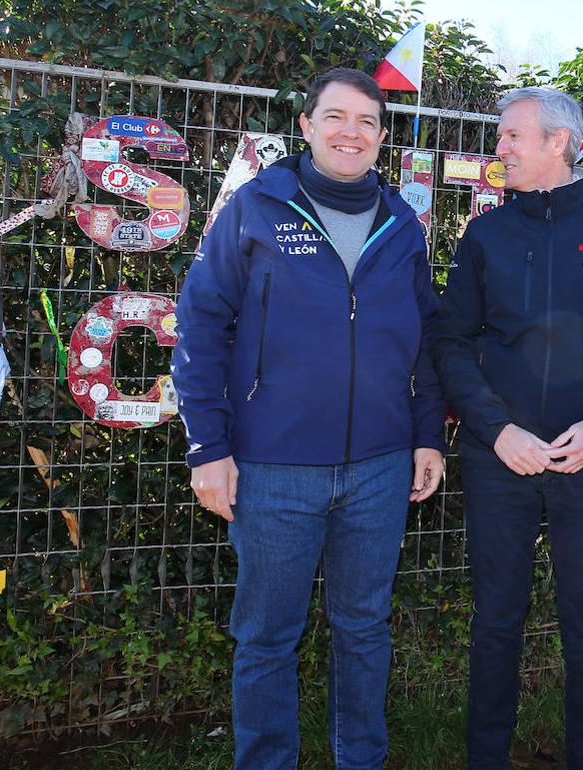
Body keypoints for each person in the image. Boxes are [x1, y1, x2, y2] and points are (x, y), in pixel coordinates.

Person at [172, 68, 446, 770]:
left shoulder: (403, 226)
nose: (350, 132)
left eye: (366, 121)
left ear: (383, 137)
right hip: (271, 468)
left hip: (381, 471)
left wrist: (424, 437)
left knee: (363, 629)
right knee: (266, 637)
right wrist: (209, 447)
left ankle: (362, 759)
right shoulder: (255, 209)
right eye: (335, 117)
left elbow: (425, 342)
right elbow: (201, 326)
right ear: (306, 126)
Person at [432, 86, 583, 770]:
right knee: (495, 626)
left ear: (558, 142)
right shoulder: (485, 234)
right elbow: (450, 341)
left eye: (512, 136)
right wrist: (494, 429)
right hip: (498, 462)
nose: (499, 148)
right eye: (501, 136)